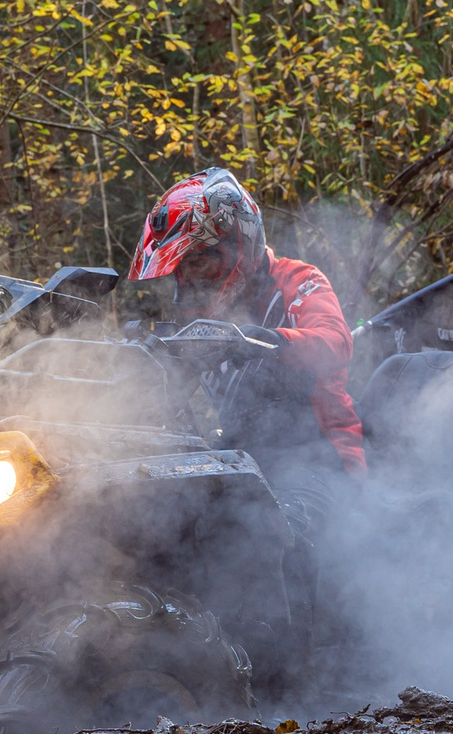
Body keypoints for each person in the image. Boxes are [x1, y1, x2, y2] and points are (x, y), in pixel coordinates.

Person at [126, 167, 364, 541]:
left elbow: (336, 341)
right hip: (243, 460)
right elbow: (164, 398)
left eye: (198, 261)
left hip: (322, 462)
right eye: (181, 268)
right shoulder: (203, 316)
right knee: (168, 527)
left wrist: (271, 341)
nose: (189, 278)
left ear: (236, 244)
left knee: (268, 537)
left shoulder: (298, 280)